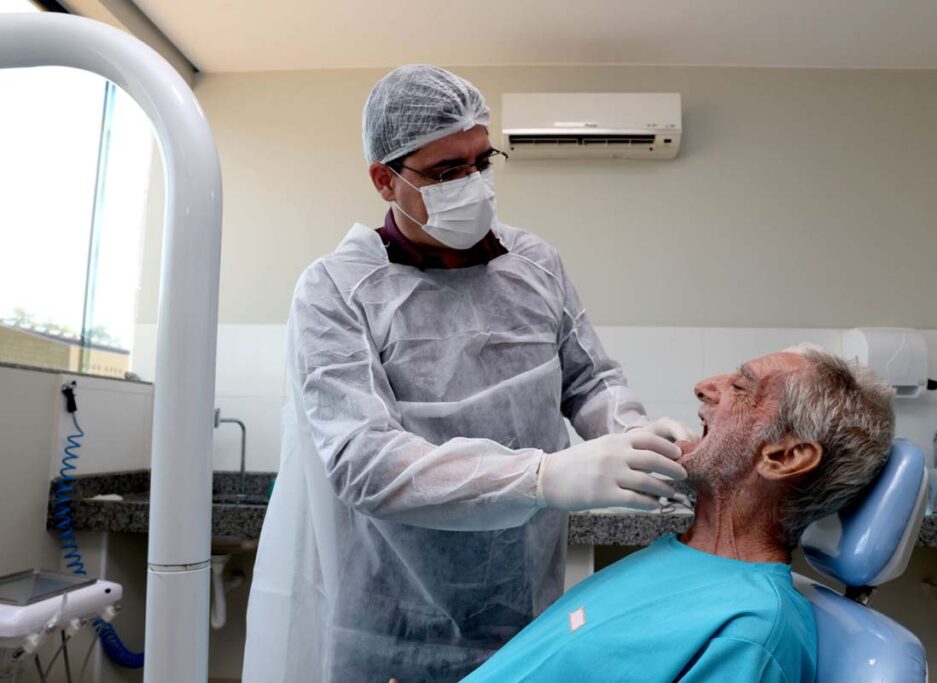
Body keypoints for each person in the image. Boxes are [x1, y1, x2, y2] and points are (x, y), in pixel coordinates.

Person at [242, 64, 694, 683]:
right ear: (385, 180)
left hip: (525, 600)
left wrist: (633, 435)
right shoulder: (337, 288)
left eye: (482, 162)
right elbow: (364, 461)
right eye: (447, 172)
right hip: (392, 618)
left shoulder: (535, 264)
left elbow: (590, 381)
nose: (473, 184)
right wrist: (542, 476)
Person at [461, 345, 895, 682]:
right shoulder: (679, 555)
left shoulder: (749, 631)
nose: (703, 387)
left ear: (784, 457)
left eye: (741, 388)